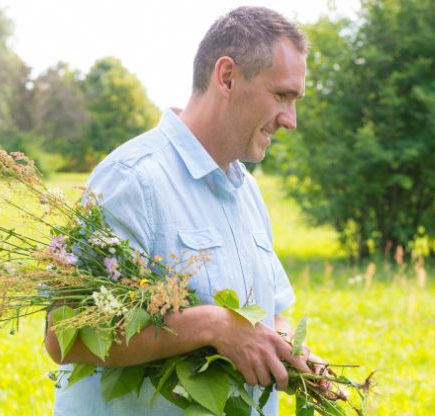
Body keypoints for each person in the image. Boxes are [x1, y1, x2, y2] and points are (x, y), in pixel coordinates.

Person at [45, 6, 318, 415]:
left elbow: (273, 311)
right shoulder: (133, 179)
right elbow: (65, 334)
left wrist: (290, 351)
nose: (290, 120)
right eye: (281, 95)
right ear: (226, 77)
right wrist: (212, 325)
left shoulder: (247, 193)